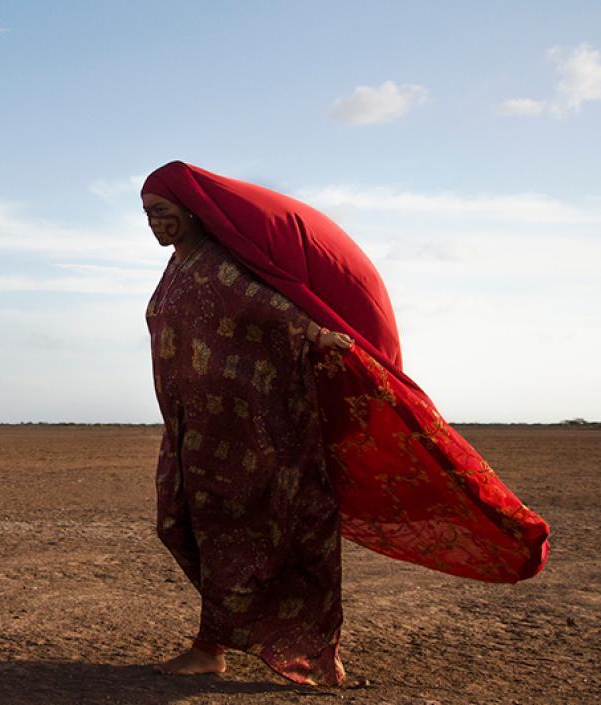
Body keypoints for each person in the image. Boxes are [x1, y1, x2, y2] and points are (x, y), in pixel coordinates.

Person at [141, 162, 550, 686]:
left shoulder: (218, 265)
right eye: (148, 214)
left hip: (248, 434)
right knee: (181, 525)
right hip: (192, 432)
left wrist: (315, 333)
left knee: (248, 535)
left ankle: (240, 646)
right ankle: (221, 638)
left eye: (163, 212)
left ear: (192, 210)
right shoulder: (177, 268)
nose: (154, 223)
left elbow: (268, 307)